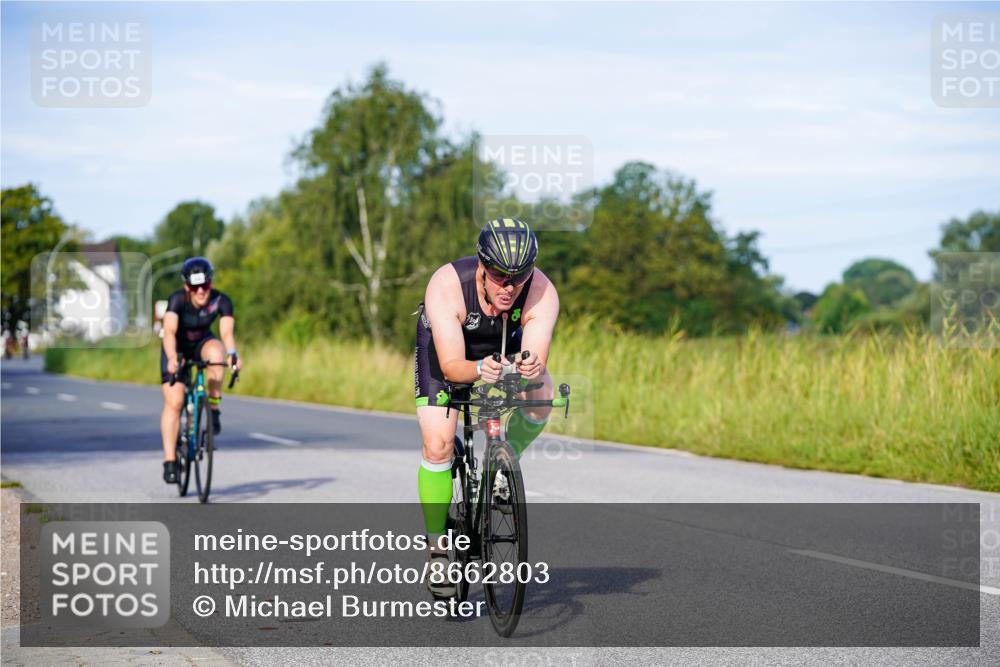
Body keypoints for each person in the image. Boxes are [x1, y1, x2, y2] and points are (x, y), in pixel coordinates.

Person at [415, 218, 560, 597]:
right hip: (449, 353)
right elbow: (451, 367)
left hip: (503, 345)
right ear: (482, 265)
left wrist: (530, 366)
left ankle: (502, 467)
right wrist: (479, 370)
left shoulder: (542, 290)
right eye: (499, 275)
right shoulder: (447, 286)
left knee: (542, 395)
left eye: (520, 275)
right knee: (438, 444)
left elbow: (537, 355)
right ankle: (437, 551)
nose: (510, 287)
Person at [159, 257, 242, 483]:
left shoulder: (221, 301)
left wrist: (232, 354)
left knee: (217, 354)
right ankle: (170, 461)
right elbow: (168, 332)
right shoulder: (177, 300)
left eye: (204, 286)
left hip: (202, 343)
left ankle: (213, 408)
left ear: (210, 283)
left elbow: (226, 334)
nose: (201, 292)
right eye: (195, 287)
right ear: (187, 286)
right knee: (175, 403)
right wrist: (171, 358)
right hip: (176, 348)